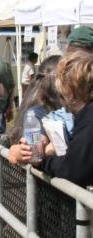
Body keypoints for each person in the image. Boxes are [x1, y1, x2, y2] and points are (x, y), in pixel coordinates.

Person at [16, 50, 93, 187]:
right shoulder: (84, 115)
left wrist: (44, 160)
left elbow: (73, 170)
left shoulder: (88, 118)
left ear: (69, 90)